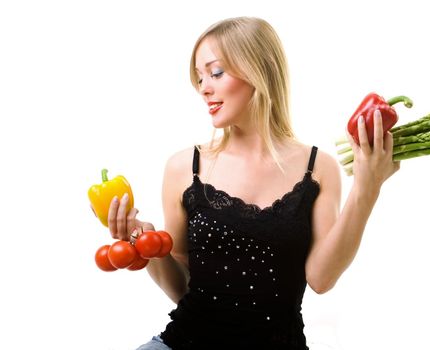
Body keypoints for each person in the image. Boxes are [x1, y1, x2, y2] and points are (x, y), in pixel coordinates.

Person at [107, 16, 399, 350]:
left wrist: (367, 188)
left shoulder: (318, 169)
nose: (204, 87)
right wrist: (149, 246)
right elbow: (182, 288)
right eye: (199, 77)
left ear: (259, 71)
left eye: (216, 73)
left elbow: (321, 279)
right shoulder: (184, 168)